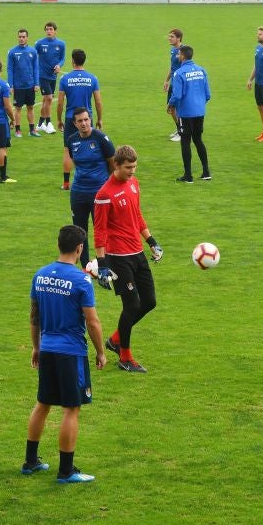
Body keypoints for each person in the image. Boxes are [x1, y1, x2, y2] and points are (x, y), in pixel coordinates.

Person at [23, 225, 107, 484]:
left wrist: (36, 347)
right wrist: (101, 351)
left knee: (43, 403)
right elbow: (92, 321)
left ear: (59, 244)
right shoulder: (81, 280)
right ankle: (66, 471)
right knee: (71, 408)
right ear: (80, 248)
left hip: (47, 349)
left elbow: (34, 317)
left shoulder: (40, 275)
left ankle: (30, 461)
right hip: (71, 352)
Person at [93, 146, 163, 374]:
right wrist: (102, 264)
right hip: (118, 258)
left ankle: (115, 340)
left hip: (137, 252)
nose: (132, 171)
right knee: (131, 305)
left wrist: (151, 241)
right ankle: (125, 357)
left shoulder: (133, 183)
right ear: (116, 165)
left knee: (149, 301)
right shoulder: (104, 195)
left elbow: (137, 214)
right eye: (128, 167)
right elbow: (99, 230)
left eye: (134, 166)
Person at [66, 108, 115, 269]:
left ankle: (105, 265)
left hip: (99, 193)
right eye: (80, 121)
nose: (84, 123)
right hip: (78, 192)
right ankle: (86, 267)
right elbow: (75, 161)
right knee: (79, 231)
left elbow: (112, 162)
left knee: (101, 229)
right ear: (75, 124)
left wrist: (107, 185)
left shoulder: (101, 138)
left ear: (91, 119)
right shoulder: (72, 140)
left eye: (86, 119)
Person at [56, 49, 103, 191]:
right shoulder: (92, 78)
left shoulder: (65, 79)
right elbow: (98, 101)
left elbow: (60, 102)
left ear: (72, 61)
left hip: (71, 118)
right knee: (88, 148)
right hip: (87, 119)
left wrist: (59, 119)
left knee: (67, 150)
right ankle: (88, 179)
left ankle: (66, 183)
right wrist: (99, 119)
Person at [168, 44, 211, 183]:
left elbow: (177, 95)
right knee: (198, 139)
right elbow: (208, 94)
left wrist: (170, 104)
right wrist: (198, 105)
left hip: (186, 113)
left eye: (178, 54)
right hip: (200, 111)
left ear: (182, 56)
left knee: (185, 141)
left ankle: (188, 175)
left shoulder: (179, 73)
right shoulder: (201, 70)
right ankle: (206, 172)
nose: (177, 56)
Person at [6, 28, 41, 139]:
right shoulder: (12, 52)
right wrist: (10, 85)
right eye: (19, 37)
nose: (21, 39)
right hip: (18, 86)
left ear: (27, 38)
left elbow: (36, 68)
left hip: (30, 85)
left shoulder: (33, 51)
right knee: (18, 108)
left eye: (23, 37)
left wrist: (37, 83)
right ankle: (17, 130)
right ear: (18, 37)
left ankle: (32, 130)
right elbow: (10, 69)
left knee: (30, 107)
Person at [34, 21, 66, 135]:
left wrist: (59, 65)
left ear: (55, 31)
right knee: (49, 99)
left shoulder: (61, 44)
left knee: (46, 100)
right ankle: (48, 123)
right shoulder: (40, 43)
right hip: (42, 75)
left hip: (53, 76)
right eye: (47, 29)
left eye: (51, 29)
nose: (48, 31)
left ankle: (39, 124)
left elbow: (62, 58)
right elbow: (33, 57)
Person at [163, 28, 183, 142]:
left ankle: (182, 132)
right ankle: (179, 128)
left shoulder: (182, 51)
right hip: (173, 83)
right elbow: (172, 67)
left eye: (172, 37)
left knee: (177, 108)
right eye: (169, 36)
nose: (169, 38)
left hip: (179, 84)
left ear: (178, 38)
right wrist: (167, 80)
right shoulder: (173, 50)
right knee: (171, 108)